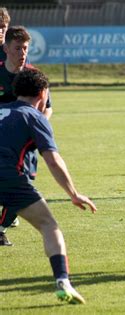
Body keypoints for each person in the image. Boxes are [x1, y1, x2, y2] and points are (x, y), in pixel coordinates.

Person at [0, 68, 97, 303]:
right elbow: (52, 160)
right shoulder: (35, 117)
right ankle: (63, 281)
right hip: (7, 177)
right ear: (43, 94)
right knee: (49, 225)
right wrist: (73, 193)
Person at [0, 26, 54, 243]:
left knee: (25, 182)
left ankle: (2, 226)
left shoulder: (34, 76)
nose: (22, 53)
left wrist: (37, 124)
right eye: (17, 48)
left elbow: (48, 107)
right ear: (5, 48)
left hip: (23, 141)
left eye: (25, 48)